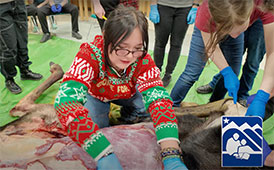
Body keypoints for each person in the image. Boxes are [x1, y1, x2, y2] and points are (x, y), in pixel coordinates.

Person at [54, 6, 188, 169]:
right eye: (122, 48)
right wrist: (102, 154)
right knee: (95, 129)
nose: (130, 56)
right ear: (106, 38)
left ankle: (127, 115)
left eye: (137, 48)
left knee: (145, 110)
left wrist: (171, 154)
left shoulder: (142, 59)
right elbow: (65, 104)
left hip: (127, 93)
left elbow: (159, 100)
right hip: (97, 95)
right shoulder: (89, 55)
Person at [196, 19, 266, 107]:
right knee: (230, 61)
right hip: (240, 15)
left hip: (263, 21)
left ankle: (242, 94)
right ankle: (215, 85)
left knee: (253, 62)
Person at [149, 0, 199, 87]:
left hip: (185, 8)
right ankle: (156, 71)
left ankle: (168, 74)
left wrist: (195, 6)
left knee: (176, 44)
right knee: (160, 43)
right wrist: (153, 5)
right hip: (163, 5)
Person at [0, 0, 43, 94]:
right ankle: (9, 79)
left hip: (19, 3)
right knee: (8, 47)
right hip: (1, 6)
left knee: (22, 42)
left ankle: (25, 71)